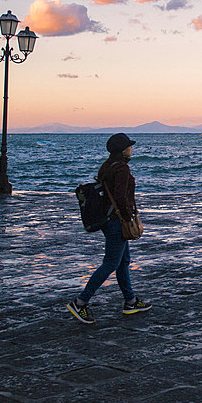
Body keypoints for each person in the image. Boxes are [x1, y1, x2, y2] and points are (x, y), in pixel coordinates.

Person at [67, 133, 151, 323]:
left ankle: (130, 301)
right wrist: (128, 215)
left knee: (123, 261)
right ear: (122, 150)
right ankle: (80, 302)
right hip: (117, 221)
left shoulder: (108, 166)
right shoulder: (121, 169)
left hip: (109, 220)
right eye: (129, 146)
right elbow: (120, 196)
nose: (131, 148)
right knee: (111, 263)